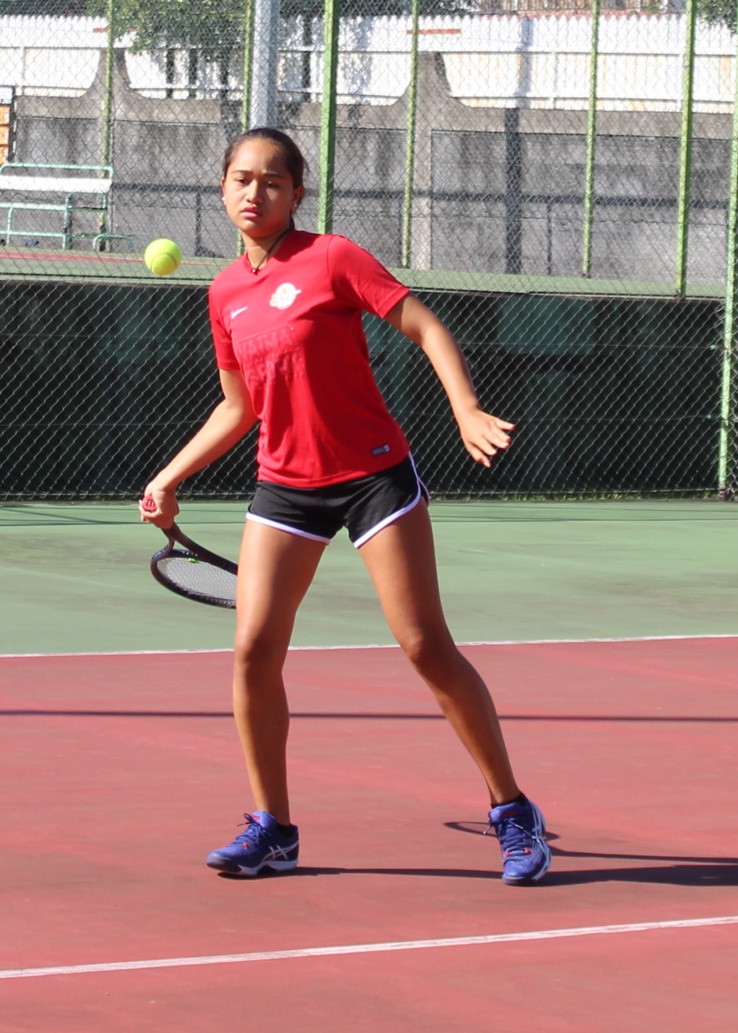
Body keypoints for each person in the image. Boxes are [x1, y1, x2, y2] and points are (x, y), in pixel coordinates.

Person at [139, 126, 551, 886]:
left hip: (372, 477)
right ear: (222, 189)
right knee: (252, 650)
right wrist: (169, 476)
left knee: (424, 645)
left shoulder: (332, 258)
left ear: (297, 193)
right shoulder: (224, 293)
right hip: (284, 485)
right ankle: (273, 829)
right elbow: (238, 407)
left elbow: (424, 326)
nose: (255, 192)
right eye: (241, 178)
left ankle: (512, 808)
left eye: (272, 180)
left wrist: (464, 409)